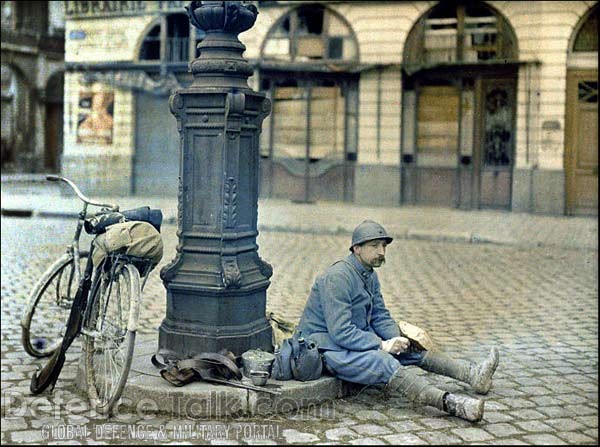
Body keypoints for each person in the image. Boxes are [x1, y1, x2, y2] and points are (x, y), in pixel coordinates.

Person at [296, 220, 499, 422]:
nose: (381, 252)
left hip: (349, 343)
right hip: (324, 350)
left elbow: (379, 315)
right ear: (357, 249)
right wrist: (382, 345)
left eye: (383, 246)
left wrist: (398, 340)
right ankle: (452, 404)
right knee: (384, 362)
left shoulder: (368, 274)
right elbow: (340, 332)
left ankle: (474, 375)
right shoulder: (338, 277)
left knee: (411, 351)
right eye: (374, 246)